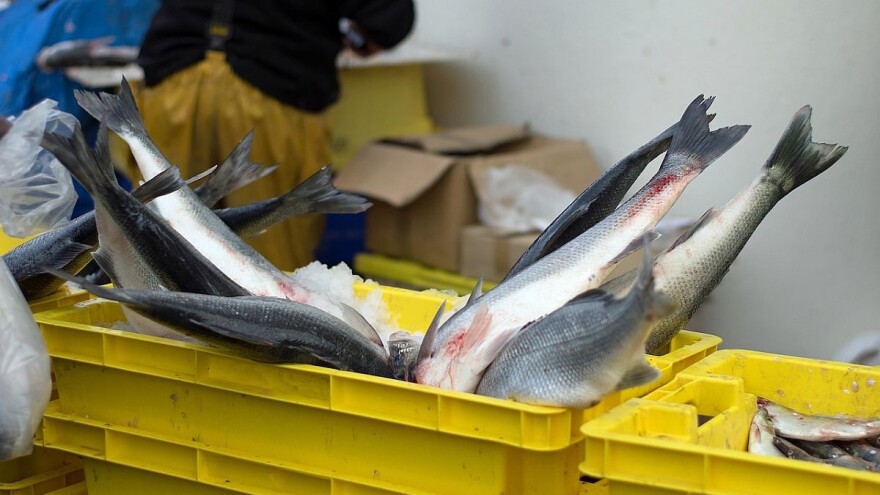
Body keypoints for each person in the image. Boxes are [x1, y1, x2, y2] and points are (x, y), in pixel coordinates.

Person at [133, 1, 415, 270]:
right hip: (272, 96)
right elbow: (387, 19)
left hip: (172, 86)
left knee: (164, 261)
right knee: (270, 274)